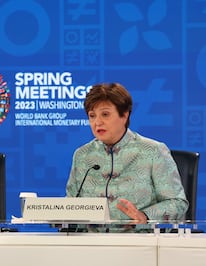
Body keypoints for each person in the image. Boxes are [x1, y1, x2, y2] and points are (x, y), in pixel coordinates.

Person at [66, 82, 188, 223]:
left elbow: (177, 203)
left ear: (124, 115)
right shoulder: (82, 155)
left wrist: (145, 216)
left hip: (137, 239)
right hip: (90, 240)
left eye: (105, 114)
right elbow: (71, 204)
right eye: (92, 116)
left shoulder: (153, 151)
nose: (97, 122)